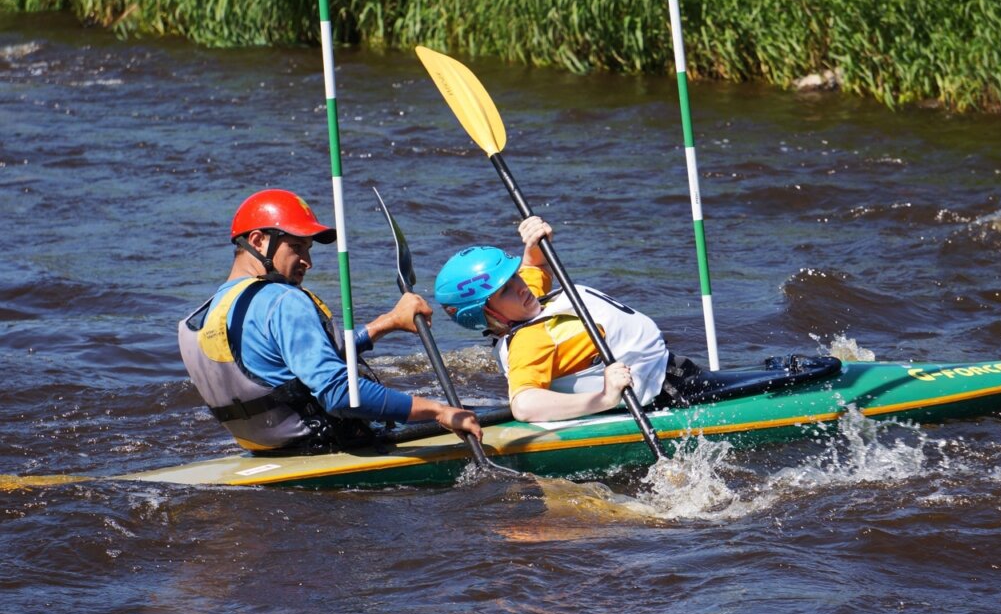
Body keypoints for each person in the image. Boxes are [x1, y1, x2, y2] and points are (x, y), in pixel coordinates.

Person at [179, 188, 482, 455]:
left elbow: (290, 368)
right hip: (322, 447)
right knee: (466, 415)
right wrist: (439, 411)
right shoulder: (283, 300)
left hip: (270, 453)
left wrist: (386, 323)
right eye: (296, 247)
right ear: (258, 241)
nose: (308, 262)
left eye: (308, 249)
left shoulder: (211, 311)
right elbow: (341, 395)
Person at [434, 216, 700, 422]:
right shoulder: (529, 341)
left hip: (670, 369)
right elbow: (523, 405)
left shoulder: (526, 305)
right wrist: (605, 398)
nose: (521, 286)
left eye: (514, 276)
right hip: (665, 392)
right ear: (487, 313)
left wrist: (536, 241)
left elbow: (535, 265)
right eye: (505, 289)